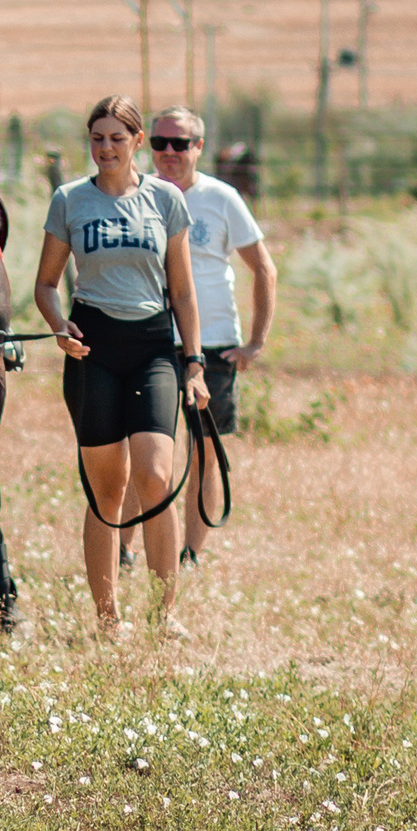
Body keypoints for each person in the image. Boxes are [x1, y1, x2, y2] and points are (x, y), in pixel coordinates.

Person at [33, 96, 209, 640]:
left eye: (116, 138)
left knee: (156, 476)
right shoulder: (68, 200)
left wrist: (195, 364)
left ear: (137, 142)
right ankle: (108, 622)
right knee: (106, 491)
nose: (105, 148)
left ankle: (164, 615)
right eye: (96, 138)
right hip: (93, 352)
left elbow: (181, 289)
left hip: (154, 348)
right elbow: (45, 284)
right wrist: (60, 325)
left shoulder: (166, 200)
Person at [146, 105, 277, 565]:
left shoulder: (222, 199)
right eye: (159, 143)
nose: (168, 153)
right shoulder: (136, 195)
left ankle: (191, 553)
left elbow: (263, 268)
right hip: (152, 341)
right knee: (144, 452)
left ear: (198, 147)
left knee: (204, 451)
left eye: (179, 144)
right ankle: (126, 548)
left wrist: (256, 340)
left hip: (215, 345)